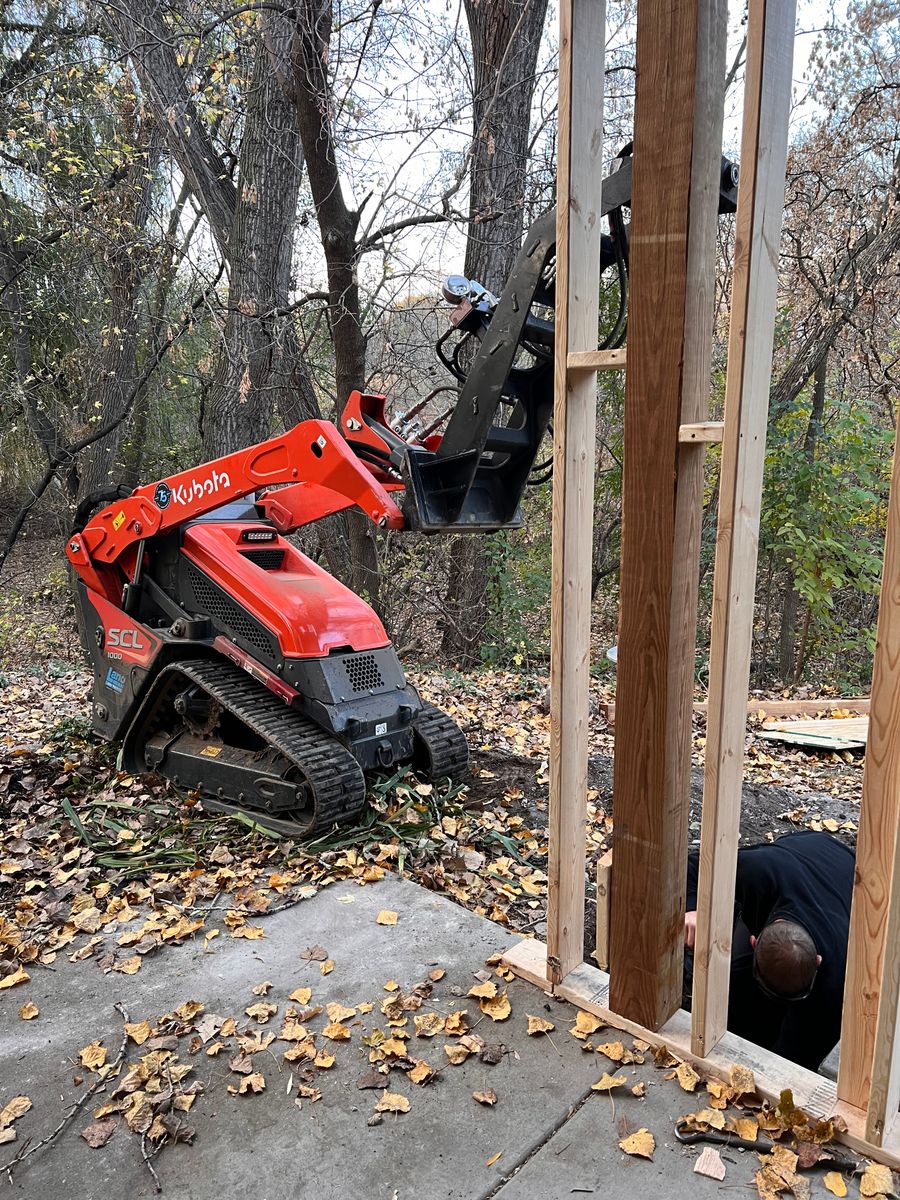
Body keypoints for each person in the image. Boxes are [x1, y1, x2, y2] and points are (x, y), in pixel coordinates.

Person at [683, 830, 855, 1072]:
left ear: (818, 961)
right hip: (807, 849)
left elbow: (798, 1063)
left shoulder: (838, 974)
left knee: (802, 1035)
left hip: (849, 874)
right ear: (754, 942)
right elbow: (694, 866)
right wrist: (692, 909)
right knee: (735, 982)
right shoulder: (760, 873)